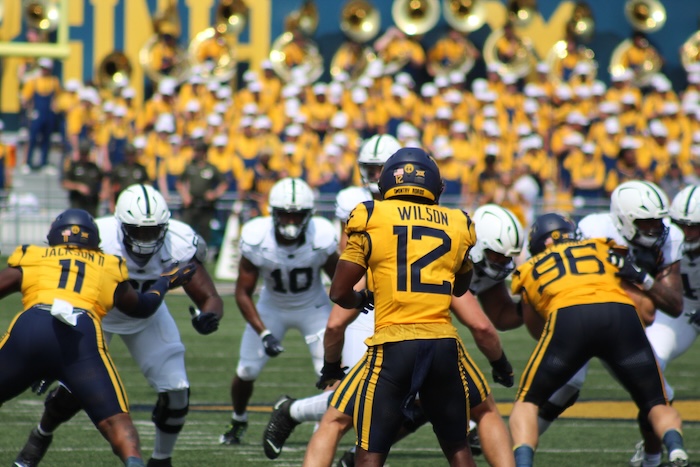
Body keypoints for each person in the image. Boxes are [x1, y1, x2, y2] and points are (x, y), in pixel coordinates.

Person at [268, 203, 520, 467]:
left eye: (505, 259)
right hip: (388, 329)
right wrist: (502, 365)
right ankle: (295, 412)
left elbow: (500, 316)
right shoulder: (447, 246)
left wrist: (534, 306)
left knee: (357, 413)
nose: (501, 264)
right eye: (496, 256)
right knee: (354, 410)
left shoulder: (405, 235)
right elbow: (481, 326)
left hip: (400, 338)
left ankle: (349, 453)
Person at [15, 184, 224, 467]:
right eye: (138, 231)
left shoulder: (180, 241)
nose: (146, 241)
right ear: (121, 225)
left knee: (177, 390)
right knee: (72, 391)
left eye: (153, 231)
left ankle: (161, 460)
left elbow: (209, 296)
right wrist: (51, 349)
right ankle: (42, 434)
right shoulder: (97, 236)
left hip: (148, 316)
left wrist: (209, 315)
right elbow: (61, 283)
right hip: (95, 314)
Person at [325, 147, 479, 466]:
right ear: (436, 186)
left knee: (370, 453)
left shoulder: (370, 214)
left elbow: (339, 291)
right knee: (458, 448)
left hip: (394, 344)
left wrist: (361, 300)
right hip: (443, 344)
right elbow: (461, 287)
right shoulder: (459, 222)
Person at [508, 213, 688, 467]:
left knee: (528, 401)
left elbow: (537, 330)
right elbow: (647, 312)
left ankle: (523, 463)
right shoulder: (602, 248)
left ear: (539, 244)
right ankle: (676, 447)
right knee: (657, 402)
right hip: (621, 316)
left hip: (569, 318)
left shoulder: (529, 268)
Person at [219, 178, 339, 445]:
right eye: (285, 214)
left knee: (330, 372)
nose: (291, 220)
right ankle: (238, 419)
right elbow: (242, 292)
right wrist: (264, 333)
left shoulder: (321, 235)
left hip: (313, 307)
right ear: (273, 213)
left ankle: (323, 427)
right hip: (271, 307)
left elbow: (340, 284)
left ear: (309, 215)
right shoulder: (256, 237)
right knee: (246, 370)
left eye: (297, 215)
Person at [629, 185, 700, 467]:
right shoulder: (664, 236)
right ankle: (653, 445)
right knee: (650, 363)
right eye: (682, 225)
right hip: (680, 311)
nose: (687, 233)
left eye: (694, 227)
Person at [177, 139, 228, 246]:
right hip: (191, 204)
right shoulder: (190, 167)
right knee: (185, 230)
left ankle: (204, 251)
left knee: (205, 232)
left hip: (206, 205)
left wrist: (214, 194)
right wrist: (185, 195)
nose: (195, 153)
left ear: (204, 152)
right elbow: (180, 183)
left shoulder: (211, 168)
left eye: (198, 151)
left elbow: (224, 183)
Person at [62, 138, 105, 217]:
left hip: (92, 204)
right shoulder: (74, 166)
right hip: (77, 204)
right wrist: (78, 187)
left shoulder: (94, 167)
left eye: (86, 153)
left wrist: (103, 191)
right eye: (83, 153)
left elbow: (104, 178)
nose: (84, 156)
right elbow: (65, 183)